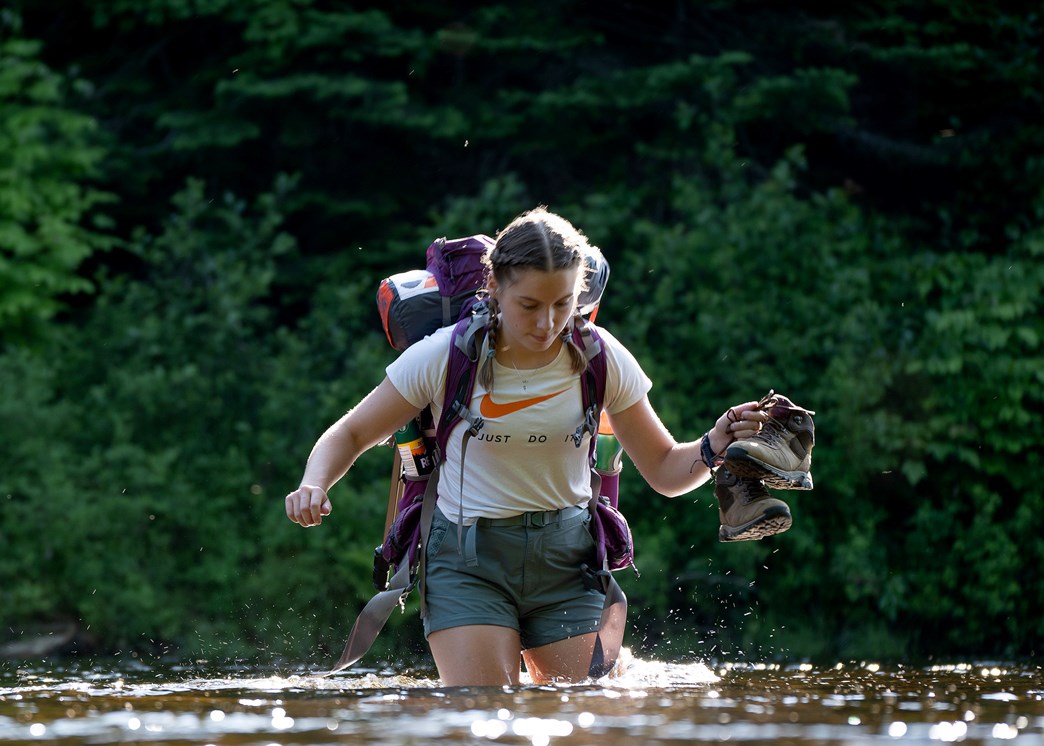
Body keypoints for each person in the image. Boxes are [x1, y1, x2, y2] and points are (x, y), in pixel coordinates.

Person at [285, 207, 767, 687]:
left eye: (562, 304)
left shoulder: (602, 357)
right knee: (484, 713)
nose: (547, 322)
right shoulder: (443, 356)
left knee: (576, 722)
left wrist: (715, 442)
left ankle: (622, 669)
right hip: (465, 560)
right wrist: (314, 482)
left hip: (567, 560)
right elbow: (349, 434)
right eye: (530, 305)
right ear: (494, 287)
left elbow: (664, 470)